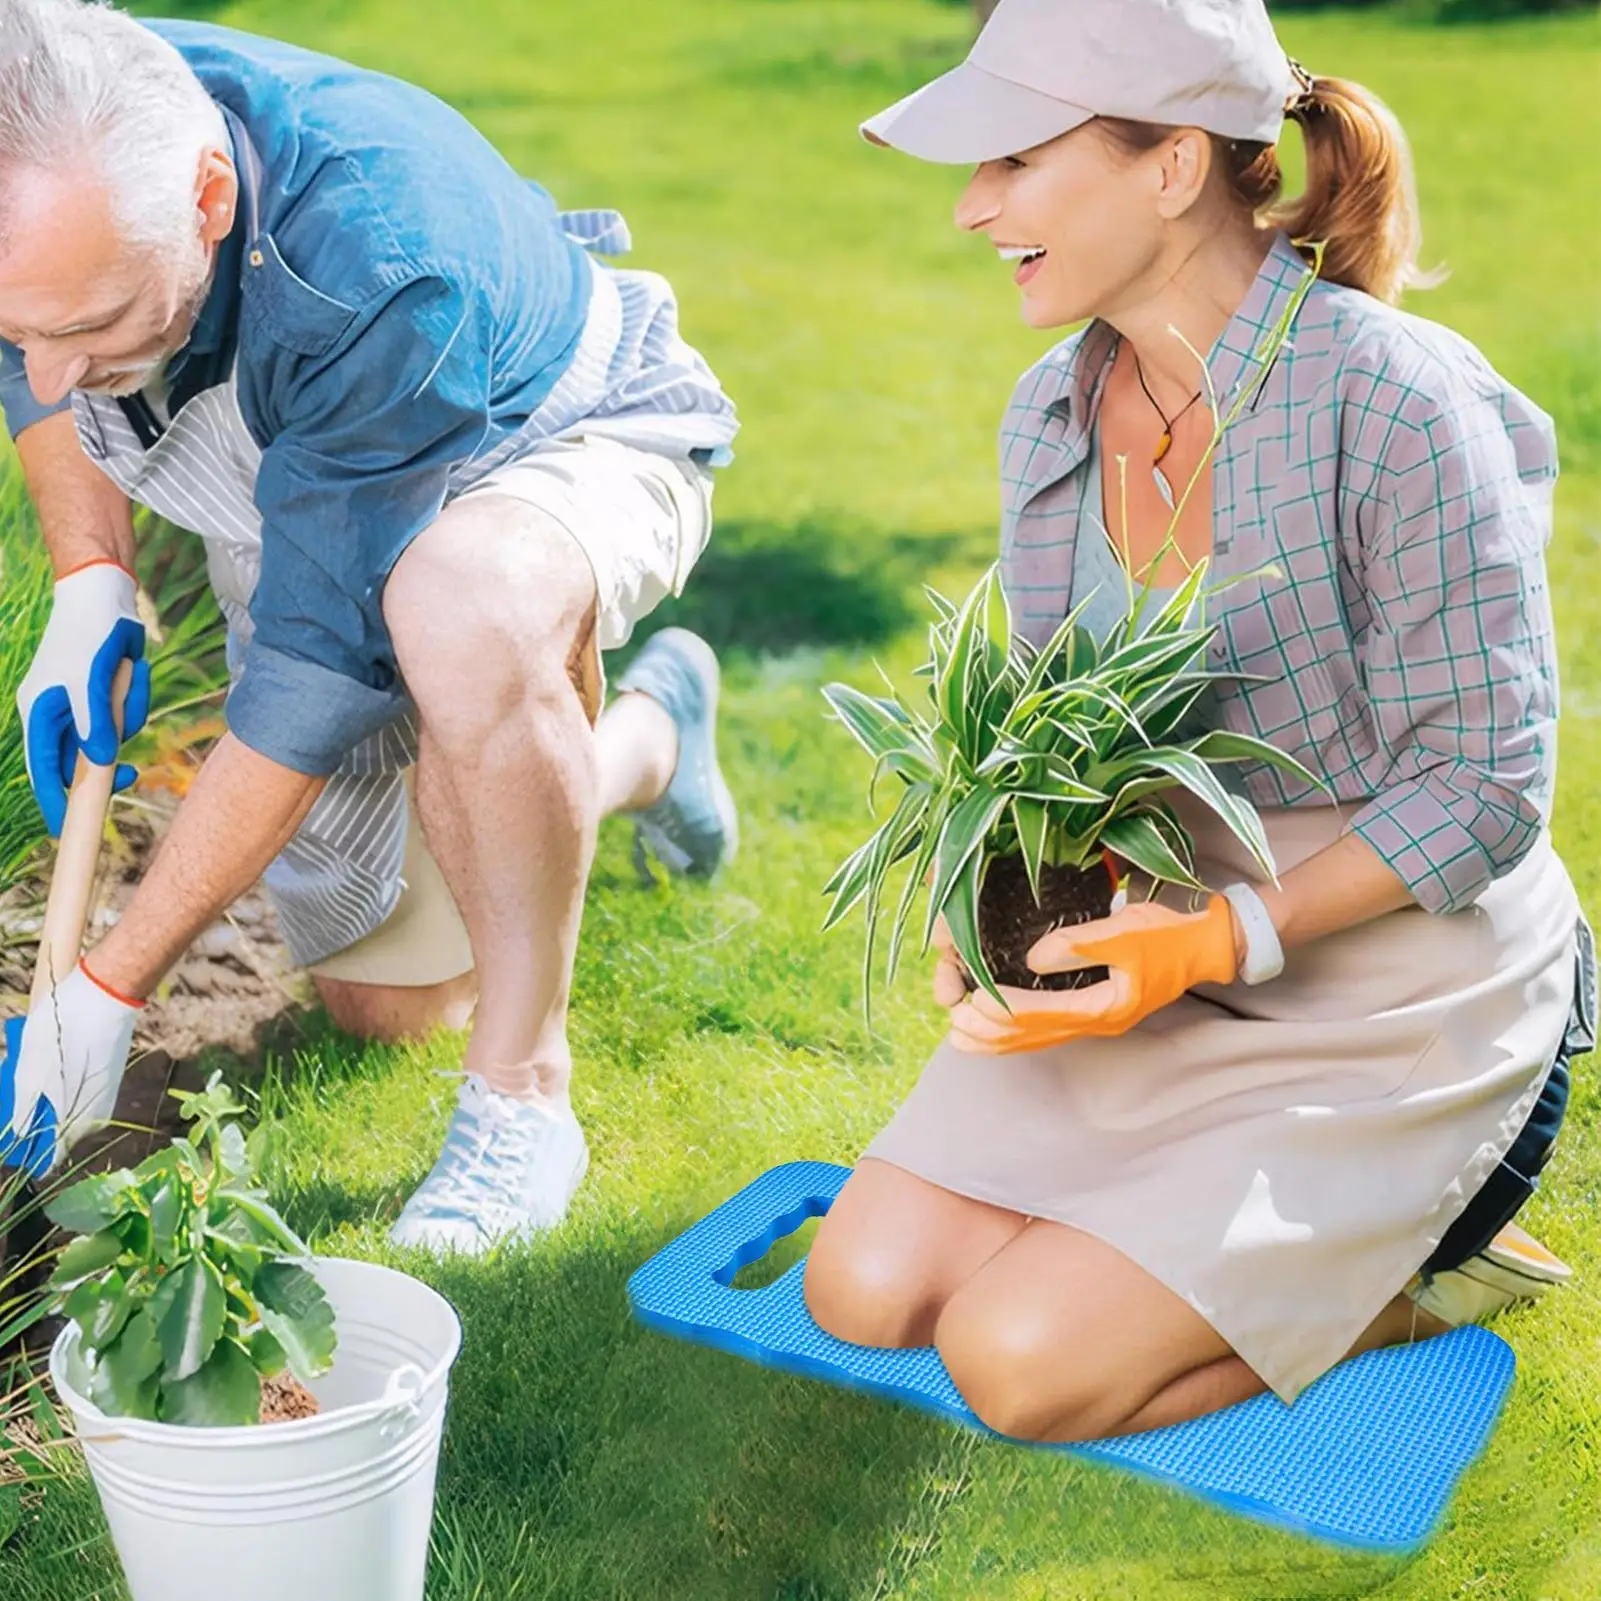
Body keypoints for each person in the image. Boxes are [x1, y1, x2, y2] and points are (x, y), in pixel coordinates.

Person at [803, 0, 1595, 1441]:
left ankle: (1428, 1265)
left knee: (1018, 1365)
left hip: (1392, 975)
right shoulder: (1053, 411)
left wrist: (1219, 939)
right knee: (862, 1289)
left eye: (1014, 165)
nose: (973, 211)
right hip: (1160, 939)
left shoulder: (1394, 404)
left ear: (1171, 165)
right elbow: (1061, 738)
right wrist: (994, 891)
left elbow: (1486, 786)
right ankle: (1218, 1253)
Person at [0, 1, 739, 1254]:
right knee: (384, 1004)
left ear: (209, 198)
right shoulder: (50, 115)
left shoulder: (377, 261)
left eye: (92, 328)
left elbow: (308, 677)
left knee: (456, 609)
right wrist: (89, 577)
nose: (54, 372)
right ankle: (647, 739)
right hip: (307, 458)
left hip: (549, 427)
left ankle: (523, 1095)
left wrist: (111, 982)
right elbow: (37, 343)